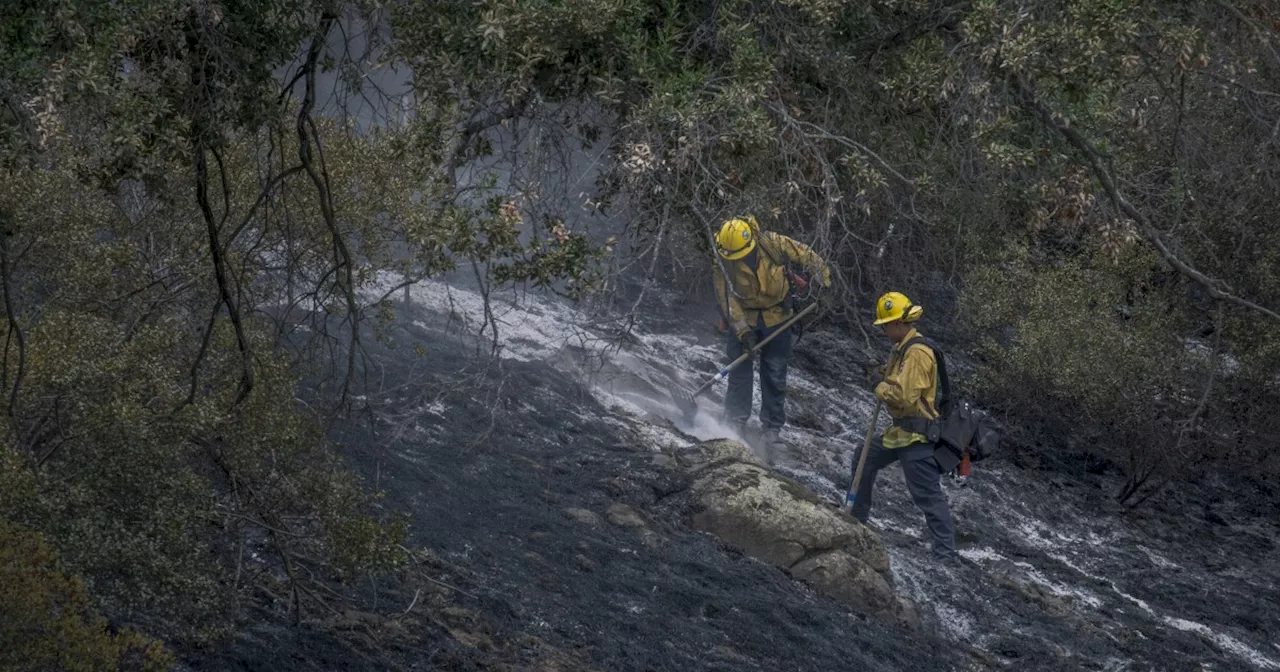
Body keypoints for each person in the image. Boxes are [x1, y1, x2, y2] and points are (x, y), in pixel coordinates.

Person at [849, 291, 959, 563]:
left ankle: (945, 554)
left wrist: (878, 384)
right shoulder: (902, 349)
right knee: (864, 455)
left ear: (898, 323)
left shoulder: (918, 353)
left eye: (885, 325)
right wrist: (880, 374)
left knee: (927, 495)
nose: (884, 330)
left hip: (917, 436)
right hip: (900, 433)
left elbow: (903, 396)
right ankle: (857, 519)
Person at [712, 215, 831, 461]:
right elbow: (728, 299)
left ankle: (772, 430)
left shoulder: (772, 243)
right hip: (744, 317)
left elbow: (806, 254)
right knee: (739, 371)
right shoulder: (724, 259)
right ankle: (734, 423)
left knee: (775, 372)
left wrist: (825, 280)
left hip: (778, 316)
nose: (740, 260)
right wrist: (744, 333)